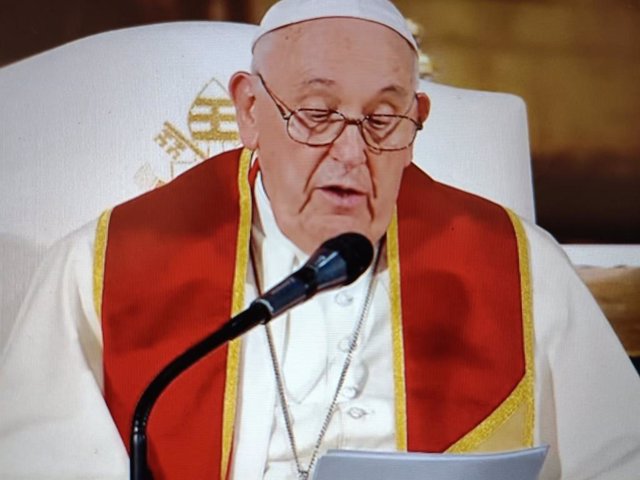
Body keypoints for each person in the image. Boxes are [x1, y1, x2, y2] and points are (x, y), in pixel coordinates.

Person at [1, 0, 639, 479]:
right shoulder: (103, 267)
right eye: (316, 113)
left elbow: (619, 457)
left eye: (383, 118)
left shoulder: (521, 266)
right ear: (250, 111)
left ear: (417, 121)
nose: (350, 153)